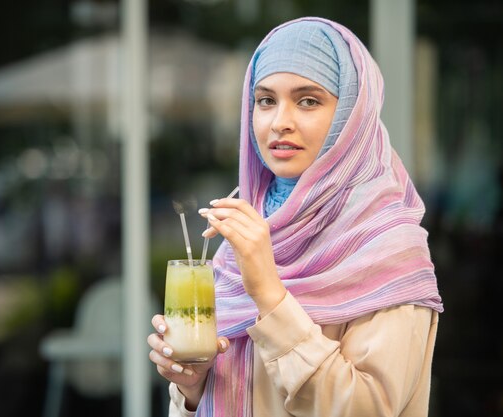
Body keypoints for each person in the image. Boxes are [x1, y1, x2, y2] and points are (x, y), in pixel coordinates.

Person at [147, 16, 443, 417]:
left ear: (352, 115)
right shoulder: (242, 242)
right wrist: (193, 387)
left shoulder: (388, 250)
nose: (280, 122)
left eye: (308, 100)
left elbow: (369, 409)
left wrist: (270, 294)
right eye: (266, 100)